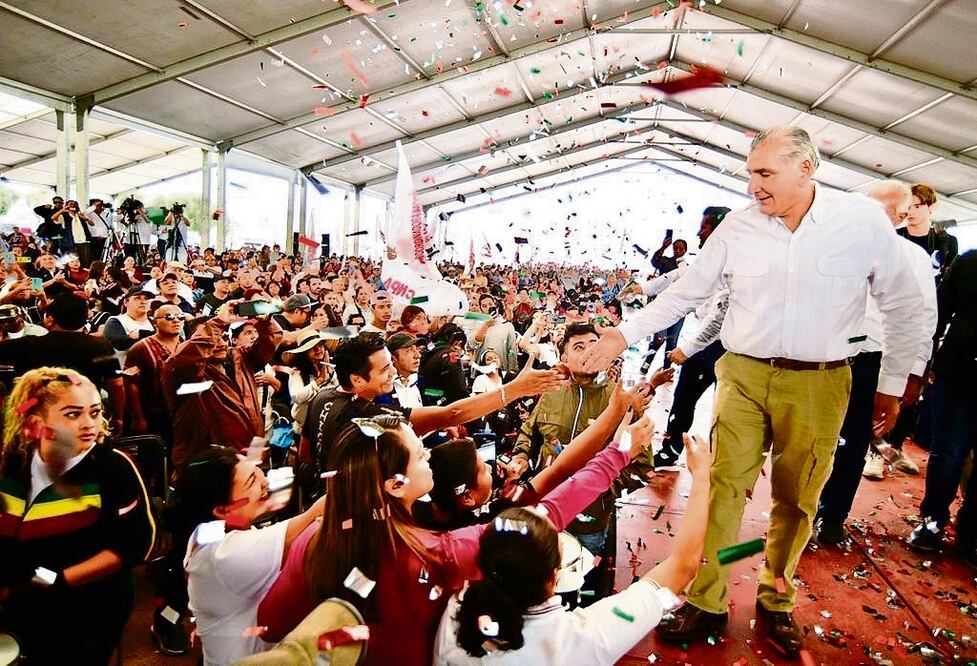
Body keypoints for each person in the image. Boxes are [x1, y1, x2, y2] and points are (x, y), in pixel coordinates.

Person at [580, 126, 923, 657]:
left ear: (806, 169)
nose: (752, 187)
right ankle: (707, 598)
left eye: (764, 174)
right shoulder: (737, 230)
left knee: (798, 495)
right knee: (724, 485)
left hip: (822, 379)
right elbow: (687, 291)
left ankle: (777, 596)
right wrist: (625, 333)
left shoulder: (861, 222)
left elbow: (902, 303)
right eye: (749, 173)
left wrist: (896, 382)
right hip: (741, 373)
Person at [257, 410, 648, 664]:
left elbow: (270, 624)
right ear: (396, 484)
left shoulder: (312, 540)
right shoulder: (437, 553)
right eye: (421, 455)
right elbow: (549, 513)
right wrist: (618, 453)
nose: (430, 455)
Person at [434, 432, 709, 664]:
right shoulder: (584, 640)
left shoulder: (455, 614)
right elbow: (682, 567)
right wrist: (703, 478)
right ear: (554, 577)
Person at [0, 368, 155, 664]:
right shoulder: (14, 459)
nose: (89, 425)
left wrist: (57, 582)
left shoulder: (113, 468)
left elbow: (135, 544)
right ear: (36, 421)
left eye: (95, 412)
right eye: (73, 415)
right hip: (20, 592)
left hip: (88, 600)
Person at [815, 181, 937, 544]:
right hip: (823, 357)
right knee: (811, 437)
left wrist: (911, 374)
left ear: (899, 217)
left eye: (882, 212)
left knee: (853, 441)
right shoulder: (830, 246)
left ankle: (832, 514)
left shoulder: (912, 258)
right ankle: (797, 511)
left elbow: (922, 317)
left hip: (872, 362)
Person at [299, 333, 565, 489]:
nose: (392, 372)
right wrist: (516, 389)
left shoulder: (323, 397)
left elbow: (305, 454)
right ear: (357, 379)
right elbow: (452, 415)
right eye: (383, 370)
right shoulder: (372, 419)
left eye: (391, 363)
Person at [174, 447, 326, 665]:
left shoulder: (205, 532)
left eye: (257, 471)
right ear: (222, 510)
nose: (264, 482)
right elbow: (314, 518)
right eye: (251, 482)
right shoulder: (223, 557)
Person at [647, 206, 731, 469]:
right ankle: (670, 450)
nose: (699, 233)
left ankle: (721, 463)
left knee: (726, 410)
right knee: (683, 398)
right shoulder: (706, 264)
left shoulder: (736, 264)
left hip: (727, 349)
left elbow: (721, 314)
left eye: (704, 227)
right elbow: (675, 284)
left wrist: (688, 348)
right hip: (706, 346)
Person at [906, 250, 977, 560]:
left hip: (954, 373)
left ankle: (971, 533)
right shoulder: (969, 262)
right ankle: (933, 521)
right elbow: (938, 312)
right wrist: (924, 361)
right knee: (947, 454)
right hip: (957, 374)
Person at [164, 300, 283, 468]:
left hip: (251, 453)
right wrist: (218, 322)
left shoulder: (240, 358)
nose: (219, 343)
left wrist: (264, 322)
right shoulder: (181, 371)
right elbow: (185, 359)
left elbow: (271, 341)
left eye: (222, 336)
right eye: (211, 340)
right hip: (209, 464)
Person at [0, 292, 125, 433]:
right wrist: (118, 418)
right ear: (85, 318)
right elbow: (117, 385)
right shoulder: (101, 347)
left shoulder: (26, 345)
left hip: (34, 415)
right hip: (83, 416)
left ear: (49, 319)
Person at [123, 303, 185, 441]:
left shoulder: (186, 345)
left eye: (180, 317)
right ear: (155, 322)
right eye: (169, 317)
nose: (176, 320)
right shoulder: (140, 348)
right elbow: (130, 384)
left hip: (183, 413)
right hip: (154, 414)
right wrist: (138, 418)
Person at [284, 329, 336, 435]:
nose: (318, 349)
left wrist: (330, 374)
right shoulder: (297, 372)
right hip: (305, 429)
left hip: (328, 426)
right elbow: (297, 397)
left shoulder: (332, 367)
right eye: (312, 348)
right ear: (304, 352)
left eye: (320, 345)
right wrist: (319, 381)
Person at [103, 287, 156, 358]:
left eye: (146, 298)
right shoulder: (115, 321)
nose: (143, 302)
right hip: (128, 367)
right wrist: (156, 336)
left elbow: (170, 337)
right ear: (126, 302)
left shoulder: (154, 321)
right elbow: (120, 344)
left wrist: (141, 334)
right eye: (137, 298)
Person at [472, 295, 518, 373]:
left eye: (490, 304)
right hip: (481, 369)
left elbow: (511, 350)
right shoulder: (477, 324)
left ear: (496, 305)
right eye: (484, 306)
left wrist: (512, 369)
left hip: (501, 369)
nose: (488, 308)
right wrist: (485, 325)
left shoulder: (507, 325)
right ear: (480, 309)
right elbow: (473, 344)